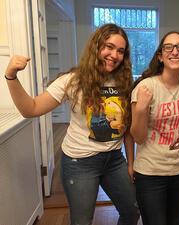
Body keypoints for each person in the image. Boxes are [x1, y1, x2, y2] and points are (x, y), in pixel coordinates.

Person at [4, 23, 139, 225]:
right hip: (80, 162)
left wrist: (130, 162)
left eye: (120, 51)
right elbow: (30, 109)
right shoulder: (72, 81)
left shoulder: (124, 82)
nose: (114, 55)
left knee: (132, 212)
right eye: (109, 47)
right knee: (81, 221)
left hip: (114, 159)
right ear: (96, 47)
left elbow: (126, 127)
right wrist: (11, 76)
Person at [130, 31, 179, 225]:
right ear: (160, 56)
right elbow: (138, 137)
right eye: (168, 47)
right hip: (150, 172)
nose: (175, 51)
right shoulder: (146, 87)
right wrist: (142, 108)